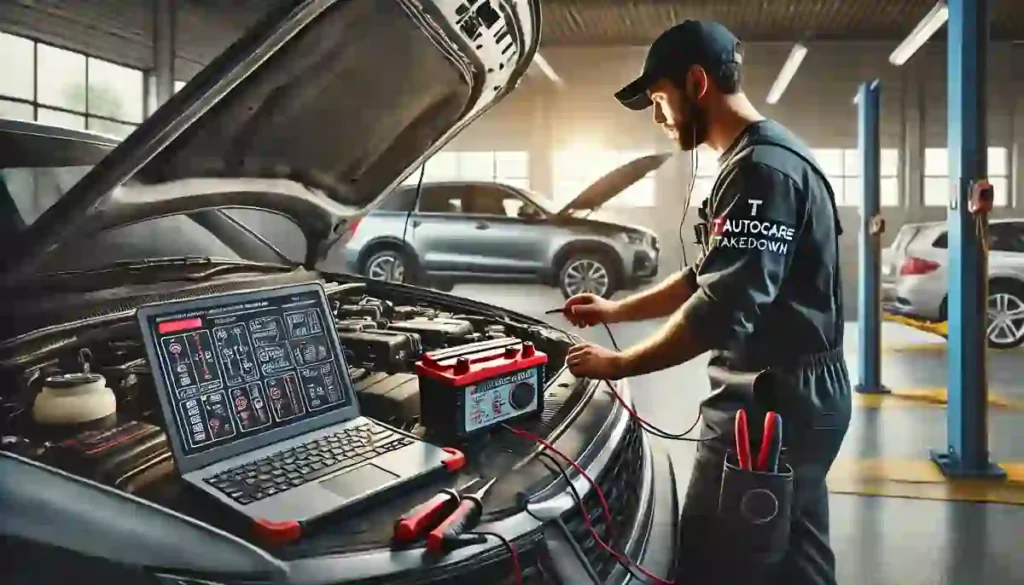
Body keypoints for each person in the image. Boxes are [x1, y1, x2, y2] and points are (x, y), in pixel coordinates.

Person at [560, 20, 851, 585]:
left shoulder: (760, 171)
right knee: (795, 556)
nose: (658, 117)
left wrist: (618, 364)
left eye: (659, 99)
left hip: (773, 399)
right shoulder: (766, 157)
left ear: (696, 83)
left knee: (711, 560)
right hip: (802, 392)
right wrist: (615, 312)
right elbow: (706, 275)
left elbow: (723, 307)